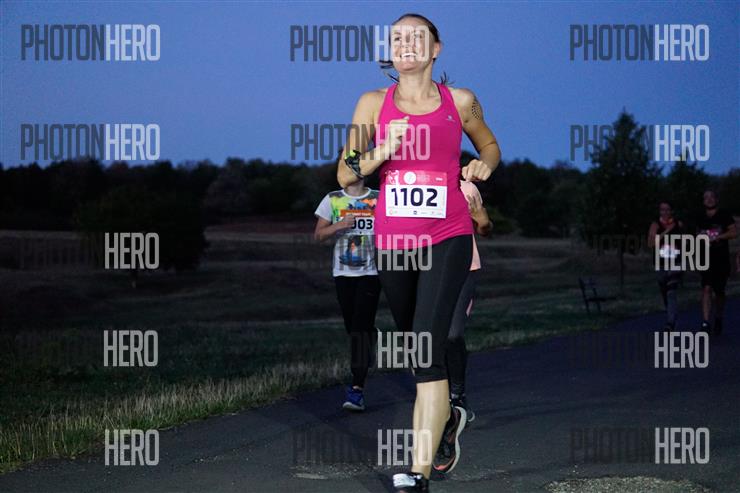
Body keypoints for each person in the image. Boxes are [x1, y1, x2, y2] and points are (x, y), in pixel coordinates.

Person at [337, 13, 500, 492]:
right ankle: (447, 415)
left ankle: (418, 473)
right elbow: (346, 173)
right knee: (417, 348)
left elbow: (490, 145)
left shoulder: (460, 101)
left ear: (436, 48)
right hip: (394, 242)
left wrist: (483, 165)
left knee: (427, 348)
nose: (405, 43)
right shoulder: (372, 103)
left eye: (416, 36)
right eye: (397, 37)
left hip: (447, 234)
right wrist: (381, 150)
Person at [314, 178, 381, 411]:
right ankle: (371, 336)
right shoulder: (333, 199)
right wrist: (339, 225)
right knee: (353, 329)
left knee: (359, 332)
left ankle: (356, 390)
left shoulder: (378, 197)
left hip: (371, 273)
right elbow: (318, 235)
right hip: (342, 273)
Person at [441, 180, 492, 431]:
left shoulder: (467, 189)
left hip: (465, 268)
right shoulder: (418, 186)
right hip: (428, 270)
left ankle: (458, 395)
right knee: (433, 336)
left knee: (453, 335)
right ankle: (439, 398)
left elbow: (485, 229)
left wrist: (482, 220)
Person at [696, 190, 737, 335]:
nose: (709, 200)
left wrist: (719, 237)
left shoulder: (724, 215)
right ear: (703, 201)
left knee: (719, 291)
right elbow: (694, 233)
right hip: (705, 258)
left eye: (712, 197)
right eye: (706, 197)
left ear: (716, 199)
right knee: (706, 288)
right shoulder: (700, 216)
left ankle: (718, 316)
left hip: (721, 258)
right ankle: (706, 322)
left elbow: (734, 232)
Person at [647, 201, 684, 331]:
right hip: (661, 262)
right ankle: (671, 313)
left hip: (676, 261)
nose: (665, 212)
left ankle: (670, 322)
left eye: (668, 209)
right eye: (662, 210)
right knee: (664, 289)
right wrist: (666, 231)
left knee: (671, 291)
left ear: (672, 211)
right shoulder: (655, 225)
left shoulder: (679, 224)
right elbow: (651, 244)